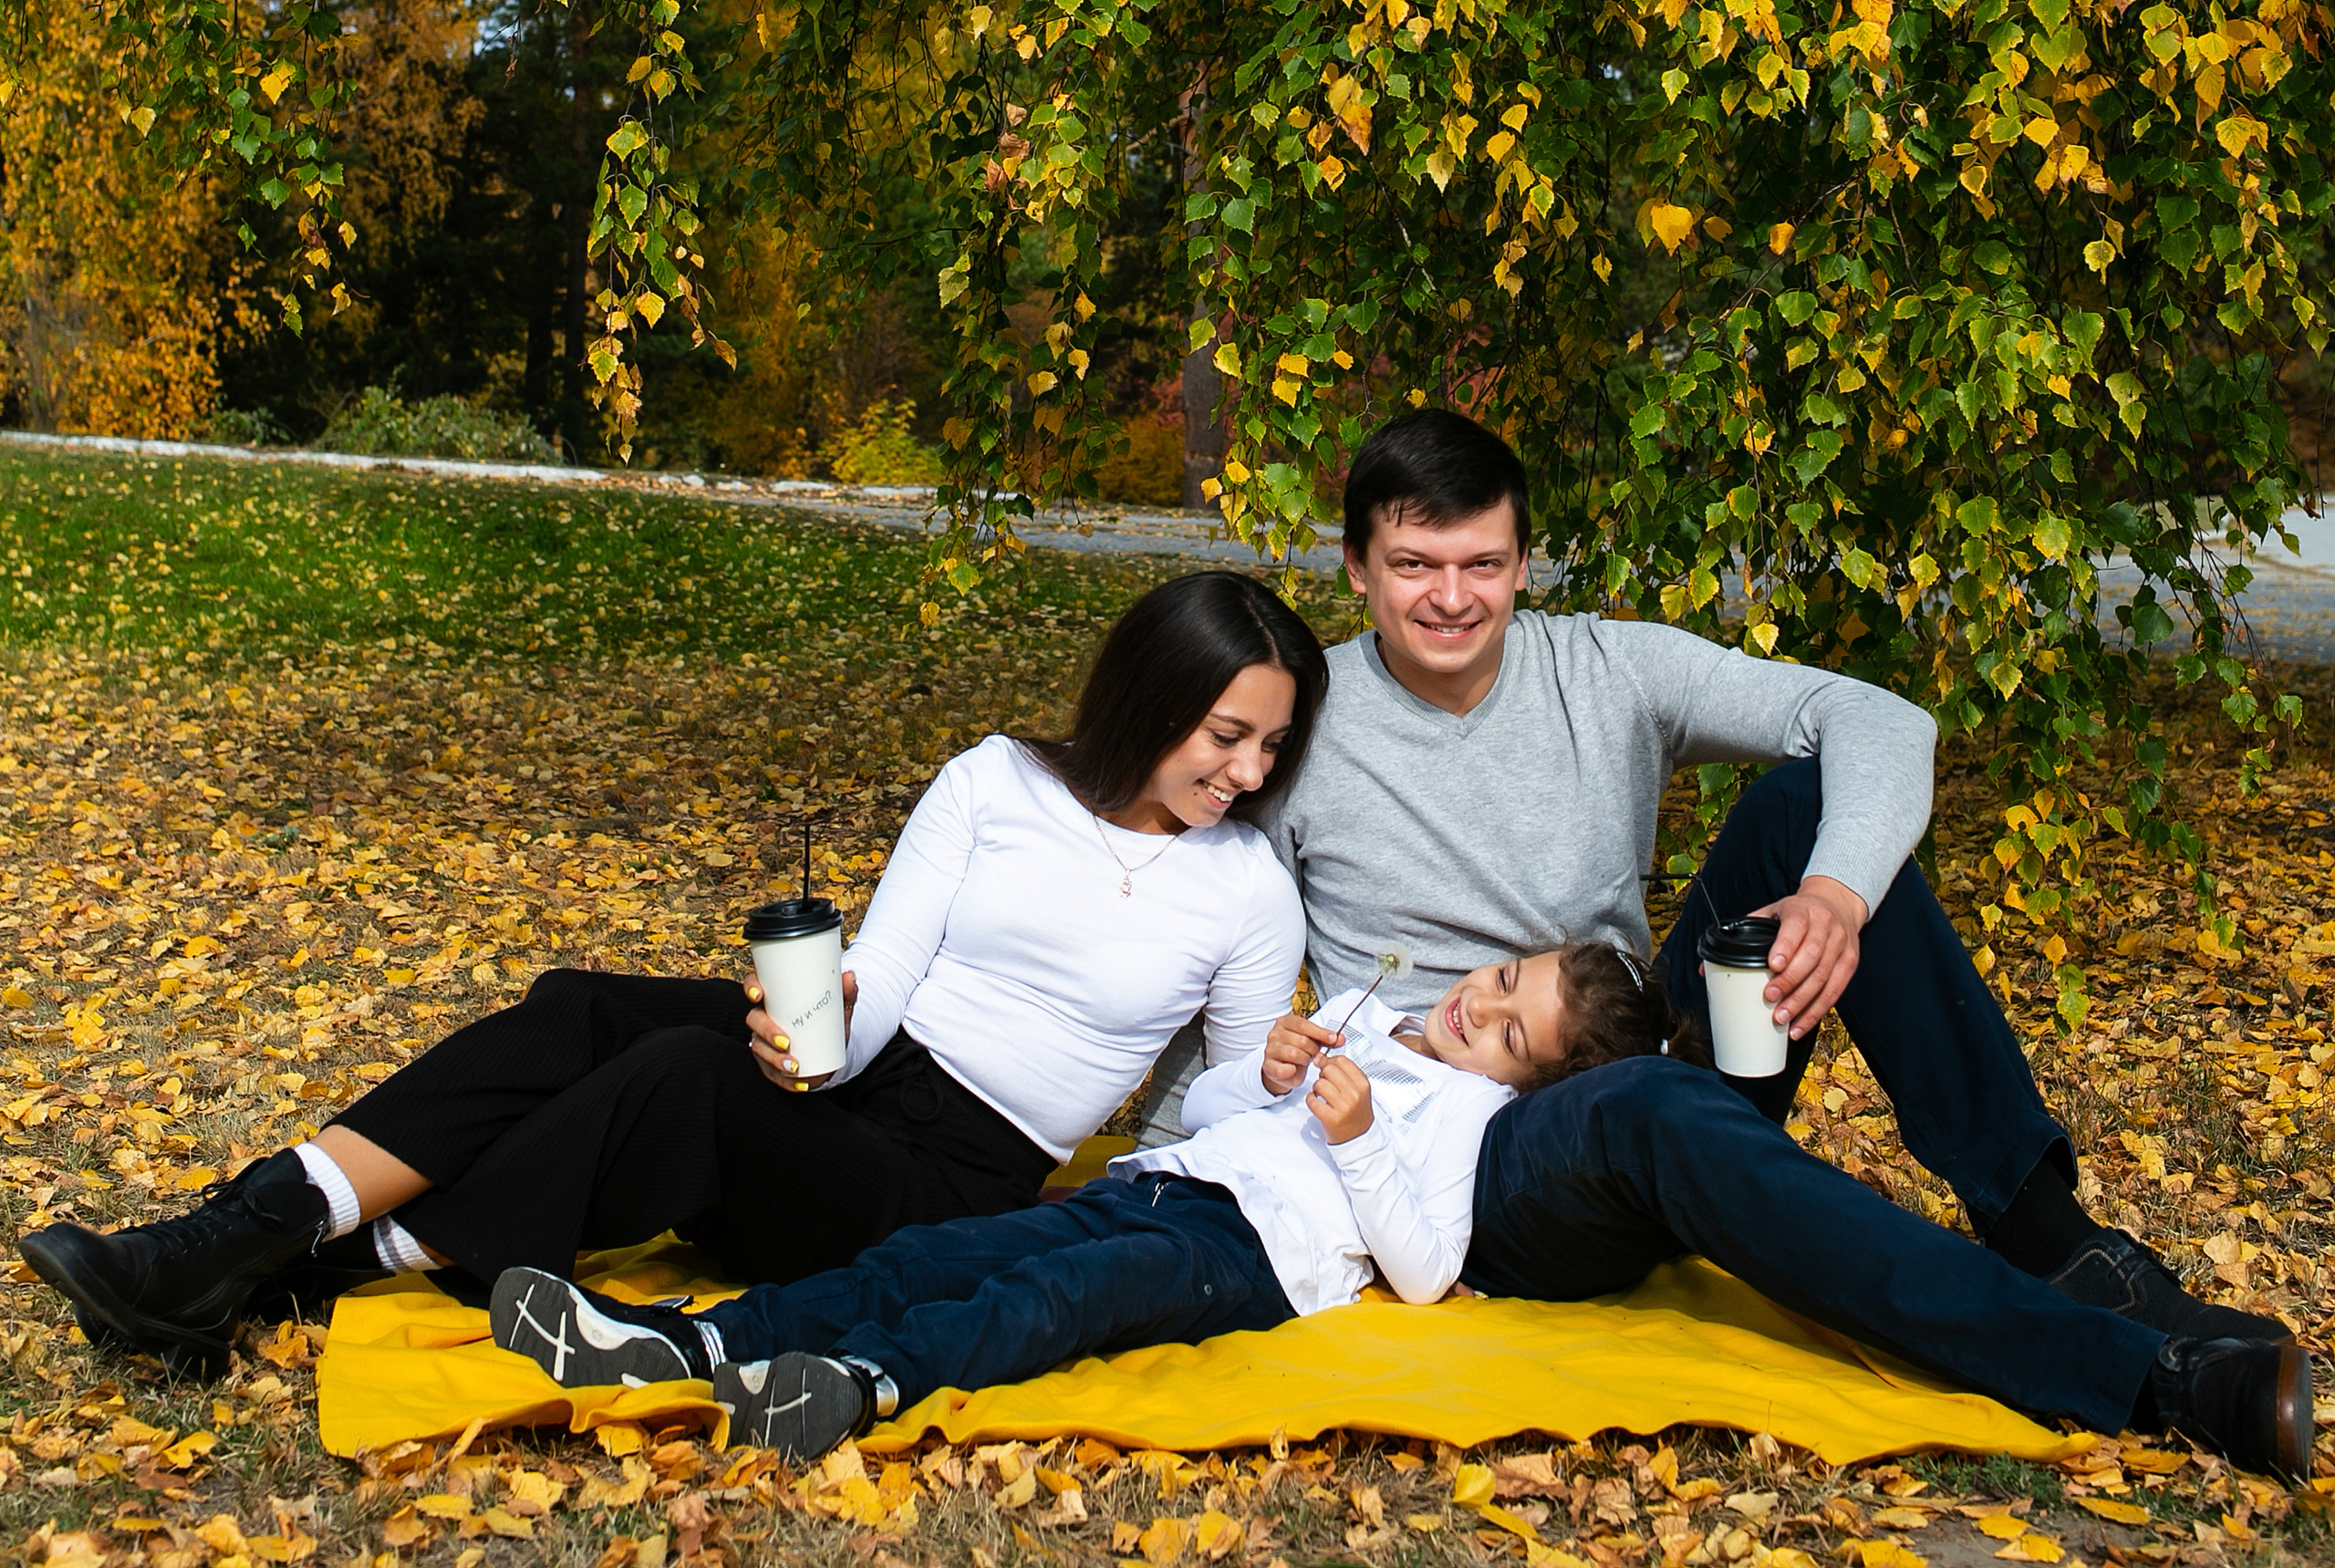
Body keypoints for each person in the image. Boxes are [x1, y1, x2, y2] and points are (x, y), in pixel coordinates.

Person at [1252, 408, 2313, 1478]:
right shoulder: (1301, 721)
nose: (1450, 596)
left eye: (1481, 562)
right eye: (1413, 565)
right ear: (1354, 568)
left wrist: (1836, 895)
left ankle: (2053, 1240)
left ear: (1524, 563)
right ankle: (2146, 1378)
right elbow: (1209, 917)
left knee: (1808, 810)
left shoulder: (1606, 668)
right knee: (1649, 1104)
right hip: (1471, 1152)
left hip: (1639, 1045)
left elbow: (1881, 721)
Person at [21, 571, 1328, 1378]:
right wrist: (815, 1033)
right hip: (868, 1074)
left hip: (948, 1180)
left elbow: (1198, 1127)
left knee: (685, 1074)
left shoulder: (1248, 889)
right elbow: (877, 976)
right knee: (586, 1002)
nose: (1249, 773)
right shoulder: (1000, 778)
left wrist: (1264, 1080)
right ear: (1151, 697)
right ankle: (264, 1220)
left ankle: (295, 1259)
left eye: (1273, 746)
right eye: (1228, 733)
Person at [487, 943, 1701, 1459]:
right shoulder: (1369, 1025)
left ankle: (857, 1382)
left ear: (1537, 1081)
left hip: (1249, 1257)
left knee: (1050, 1296)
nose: (1471, 1010)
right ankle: (685, 1339)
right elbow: (1214, 1117)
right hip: (1170, 1182)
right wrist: (1264, 1069)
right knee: (940, 1248)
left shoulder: (1474, 1123)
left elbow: (1429, 1267)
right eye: (1496, 980)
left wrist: (1366, 1135)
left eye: (1504, 1030)